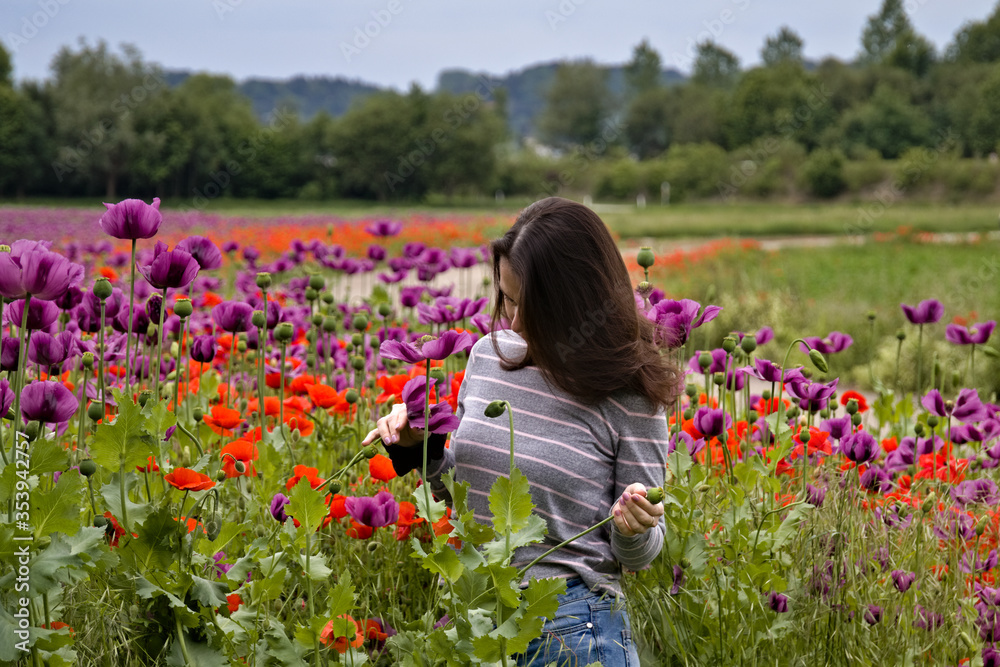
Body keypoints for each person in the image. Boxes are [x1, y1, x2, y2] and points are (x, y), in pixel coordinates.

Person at [363, 197, 680, 666]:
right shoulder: (488, 357)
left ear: (576, 302)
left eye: (529, 305)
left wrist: (634, 528)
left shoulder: (631, 394)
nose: (511, 320)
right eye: (507, 298)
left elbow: (639, 555)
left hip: (572, 628)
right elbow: (461, 493)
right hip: (475, 619)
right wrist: (418, 448)